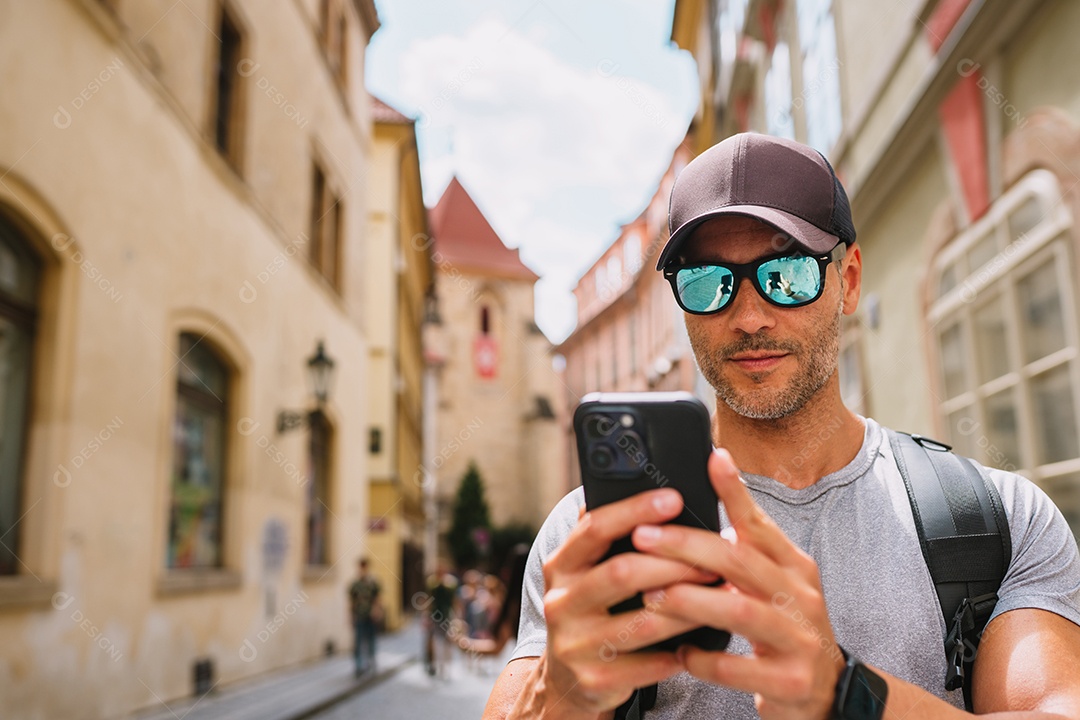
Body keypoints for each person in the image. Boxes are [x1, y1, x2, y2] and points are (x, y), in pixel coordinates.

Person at [483, 133, 1080, 719]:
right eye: (706, 282)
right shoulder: (592, 533)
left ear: (847, 282)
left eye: (787, 273)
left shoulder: (996, 517)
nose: (747, 316)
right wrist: (556, 699)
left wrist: (846, 696)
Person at [347, 557, 381, 677]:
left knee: (371, 639)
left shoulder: (372, 584)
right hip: (359, 615)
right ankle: (359, 665)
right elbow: (351, 602)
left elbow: (377, 599)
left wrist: (376, 611)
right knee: (358, 640)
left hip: (370, 615)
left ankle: (371, 661)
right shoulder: (355, 585)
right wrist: (350, 616)